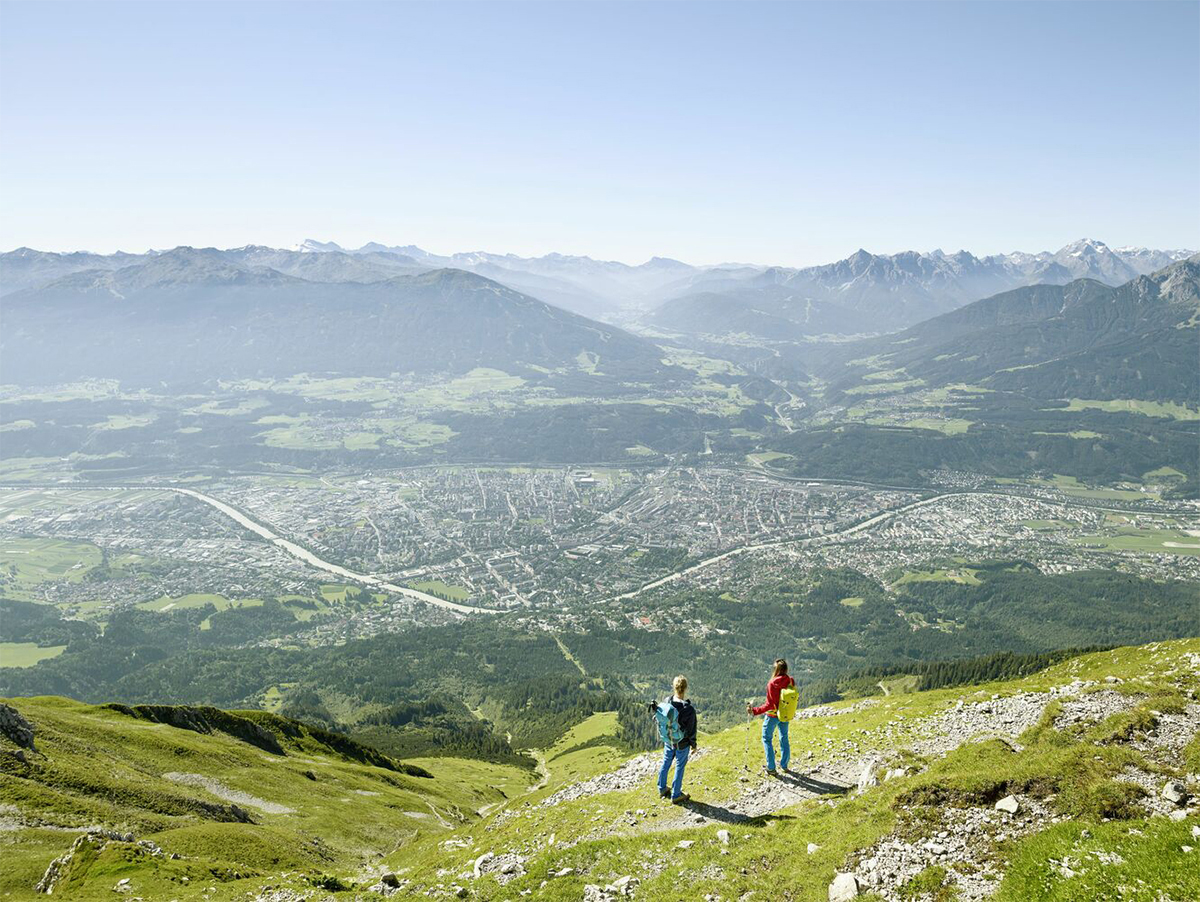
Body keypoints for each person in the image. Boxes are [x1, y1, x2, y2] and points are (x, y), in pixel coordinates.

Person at [747, 659, 796, 775]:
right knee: (784, 738)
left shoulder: (772, 684)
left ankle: (771, 768)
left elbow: (770, 705)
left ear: (776, 670)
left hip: (772, 715)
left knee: (766, 739)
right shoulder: (790, 680)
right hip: (785, 714)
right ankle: (784, 765)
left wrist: (754, 711)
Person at [656, 675, 697, 803]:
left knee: (666, 762)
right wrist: (693, 744)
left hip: (669, 740)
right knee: (679, 766)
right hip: (682, 743)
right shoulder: (688, 709)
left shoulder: (667, 701)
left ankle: (662, 788)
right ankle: (676, 794)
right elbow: (691, 730)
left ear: (674, 687)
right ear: (685, 689)